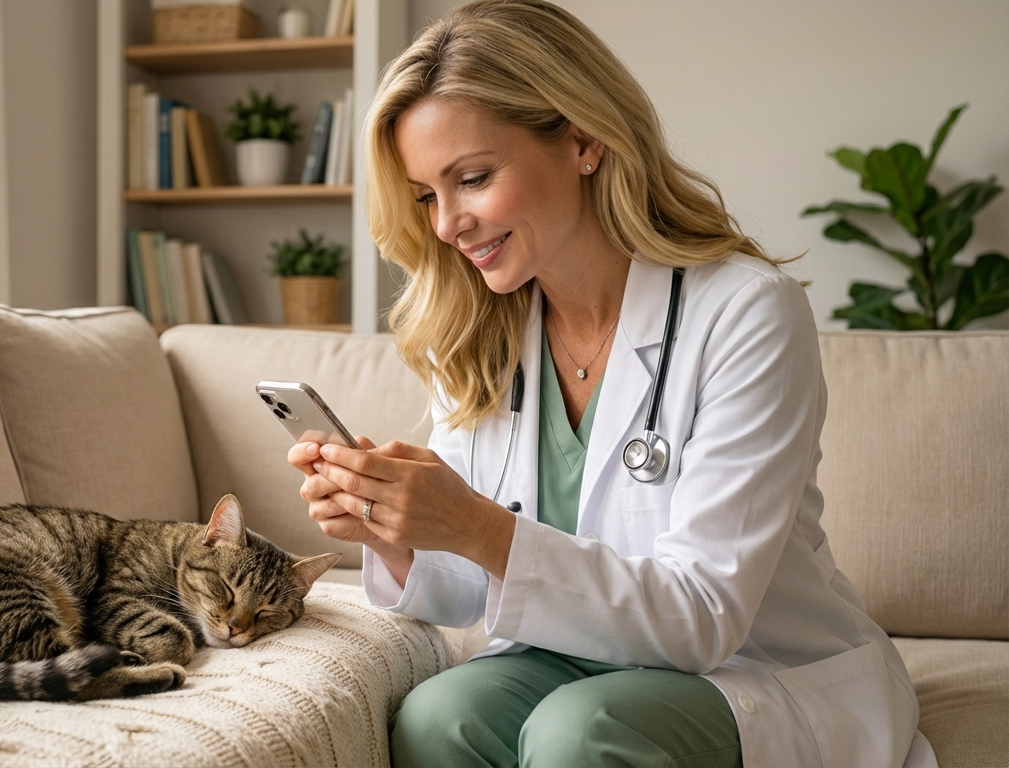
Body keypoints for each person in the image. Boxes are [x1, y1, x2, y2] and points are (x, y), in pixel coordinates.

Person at [286, 2, 929, 767]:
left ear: (584, 140)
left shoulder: (747, 312)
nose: (448, 224)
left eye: (473, 179)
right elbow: (464, 589)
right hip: (567, 655)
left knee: (581, 733)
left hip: (749, 666)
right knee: (439, 718)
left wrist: (474, 524)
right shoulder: (482, 328)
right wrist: (395, 531)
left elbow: (704, 617)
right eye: (428, 195)